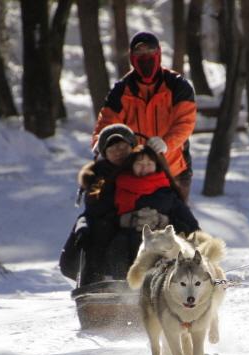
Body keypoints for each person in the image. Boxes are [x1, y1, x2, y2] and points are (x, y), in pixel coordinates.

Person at [91, 31, 197, 203]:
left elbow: (185, 122)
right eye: (139, 53)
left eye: (150, 52)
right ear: (132, 57)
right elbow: (107, 122)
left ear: (159, 54)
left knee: (178, 223)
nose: (145, 57)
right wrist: (100, 142)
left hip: (173, 169)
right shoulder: (121, 90)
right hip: (136, 171)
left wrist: (166, 143)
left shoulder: (178, 85)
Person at [59, 124, 169, 286]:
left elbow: (164, 191)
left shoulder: (142, 166)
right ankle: (94, 286)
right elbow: (95, 207)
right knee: (98, 236)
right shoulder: (99, 176)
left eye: (123, 147)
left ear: (132, 147)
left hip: (144, 222)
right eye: (112, 149)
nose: (119, 152)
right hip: (108, 223)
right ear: (105, 154)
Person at [110, 145, 200, 273]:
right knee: (121, 241)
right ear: (131, 165)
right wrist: (128, 220)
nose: (144, 167)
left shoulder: (168, 193)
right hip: (125, 241)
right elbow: (103, 216)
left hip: (164, 245)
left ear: (156, 165)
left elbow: (191, 226)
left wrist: (163, 221)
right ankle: (117, 283)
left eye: (149, 163)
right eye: (139, 163)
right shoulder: (117, 187)